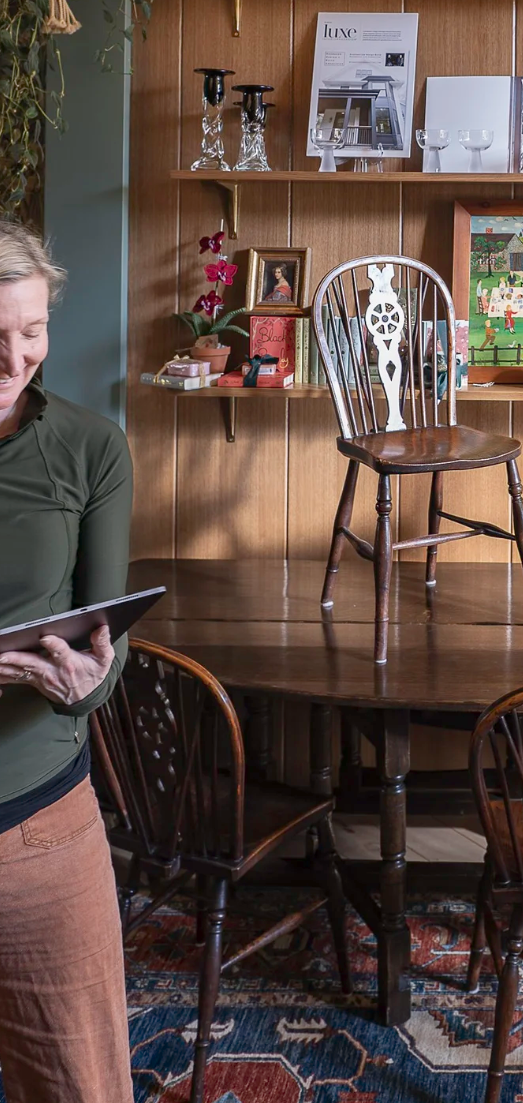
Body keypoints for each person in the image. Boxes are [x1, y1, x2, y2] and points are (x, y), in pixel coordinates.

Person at [0, 220, 133, 1103]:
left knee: (82, 1088)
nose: (15, 362)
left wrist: (91, 685)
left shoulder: (91, 448)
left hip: (38, 827)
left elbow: (107, 639)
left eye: (32, 332)